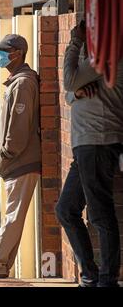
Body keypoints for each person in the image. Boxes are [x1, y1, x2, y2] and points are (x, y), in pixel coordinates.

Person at [55, 22, 123, 287]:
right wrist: (75, 93)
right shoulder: (97, 63)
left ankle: (106, 280)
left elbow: (70, 80)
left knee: (100, 214)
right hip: (86, 144)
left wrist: (73, 42)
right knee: (66, 209)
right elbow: (71, 91)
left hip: (98, 142)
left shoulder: (106, 57)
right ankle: (91, 274)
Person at [0, 34, 41, 278]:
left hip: (21, 161)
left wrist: (5, 154)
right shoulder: (16, 81)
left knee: (13, 217)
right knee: (14, 216)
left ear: (17, 53)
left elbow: (18, 129)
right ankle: (0, 265)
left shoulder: (23, 83)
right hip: (19, 162)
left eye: (4, 51)